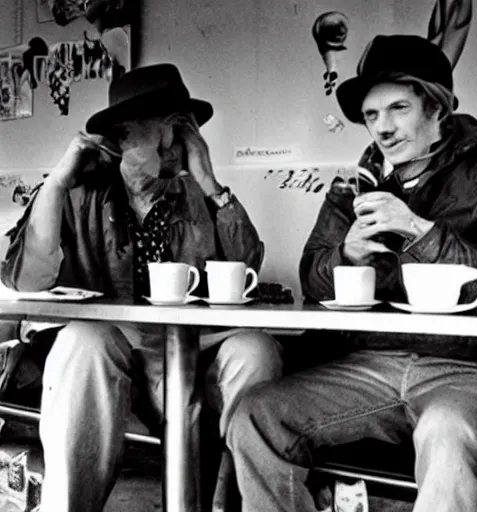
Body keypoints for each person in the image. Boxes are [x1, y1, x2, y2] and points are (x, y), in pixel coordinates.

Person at [228, 34, 477, 512]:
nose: (382, 128)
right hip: (369, 365)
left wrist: (420, 230)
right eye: (371, 115)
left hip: (472, 367)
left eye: (398, 108)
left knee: (446, 432)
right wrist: (347, 255)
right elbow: (312, 279)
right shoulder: (354, 186)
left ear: (437, 108)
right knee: (254, 416)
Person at [0, 63, 282, 512]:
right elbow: (26, 279)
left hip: (188, 351)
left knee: (255, 349)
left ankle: (225, 504)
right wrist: (55, 183)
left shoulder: (198, 194)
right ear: (122, 139)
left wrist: (211, 181)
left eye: (184, 132)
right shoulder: (79, 193)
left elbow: (243, 274)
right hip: (111, 349)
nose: (177, 148)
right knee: (83, 339)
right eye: (167, 133)